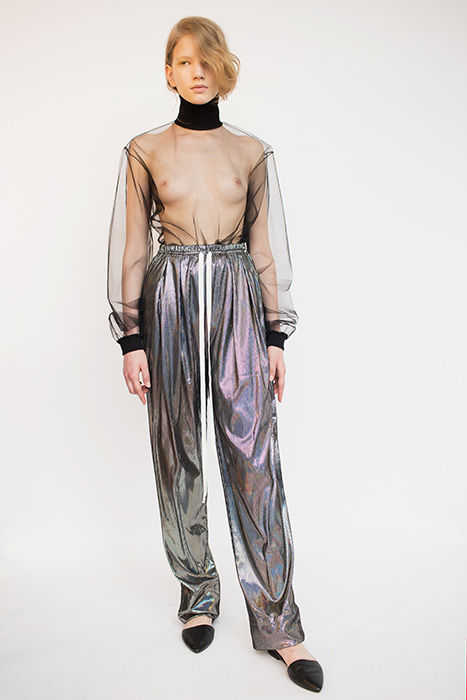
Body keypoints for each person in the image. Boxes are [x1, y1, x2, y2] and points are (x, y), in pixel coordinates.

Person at [106, 15, 324, 693]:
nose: (196, 72)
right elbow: (132, 248)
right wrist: (132, 339)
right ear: (168, 73)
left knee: (253, 456)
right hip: (170, 298)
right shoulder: (145, 150)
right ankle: (198, 592)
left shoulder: (251, 152)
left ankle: (280, 626)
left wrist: (274, 336)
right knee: (177, 451)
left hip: (236, 299)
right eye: (183, 62)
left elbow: (264, 249)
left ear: (223, 69)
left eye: (207, 61)